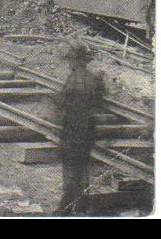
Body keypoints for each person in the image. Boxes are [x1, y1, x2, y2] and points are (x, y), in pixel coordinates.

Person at [54, 38, 104, 216]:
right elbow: (98, 100)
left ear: (76, 60)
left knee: (69, 168)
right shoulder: (94, 78)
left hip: (72, 128)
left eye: (70, 59)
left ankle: (65, 207)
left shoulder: (73, 78)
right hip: (88, 129)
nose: (68, 63)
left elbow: (62, 101)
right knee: (82, 167)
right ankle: (82, 206)